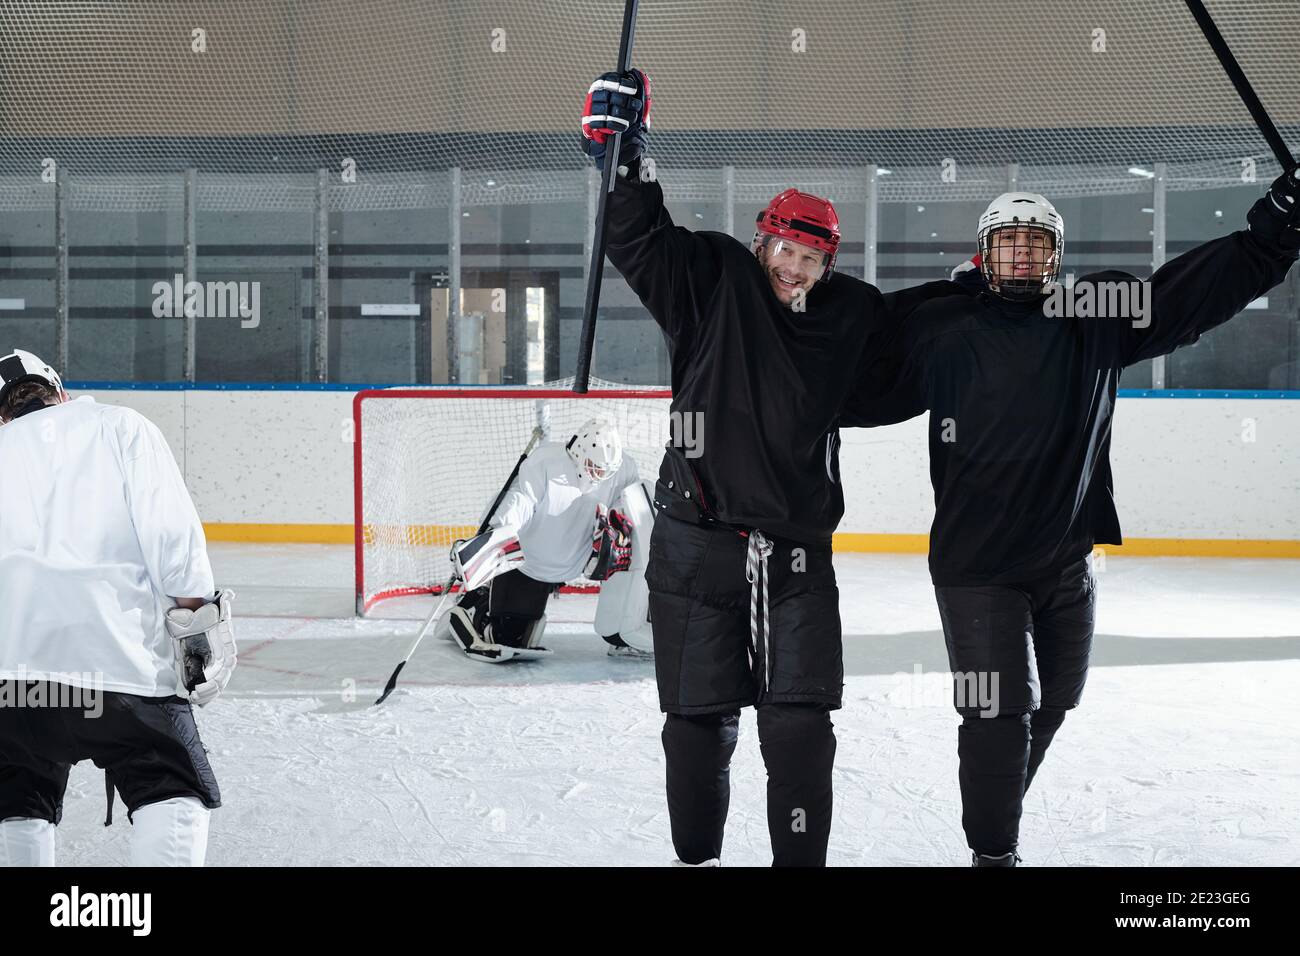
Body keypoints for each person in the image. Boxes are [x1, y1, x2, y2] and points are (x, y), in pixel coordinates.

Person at [846, 170, 1300, 865]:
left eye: (1036, 243)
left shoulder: (1095, 313)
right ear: (984, 252)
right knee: (997, 712)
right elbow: (850, 370)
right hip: (974, 570)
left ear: (1056, 254)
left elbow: (1191, 292)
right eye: (1008, 243)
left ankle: (992, 812)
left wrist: (1277, 224)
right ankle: (993, 853)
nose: (1022, 255)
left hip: (1065, 564)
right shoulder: (941, 323)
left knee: (1054, 702)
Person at [582, 69, 953, 865]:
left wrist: (978, 305)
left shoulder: (848, 317)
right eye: (786, 250)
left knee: (798, 727)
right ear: (762, 241)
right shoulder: (711, 282)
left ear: (829, 263)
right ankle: (698, 859)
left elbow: (906, 347)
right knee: (697, 724)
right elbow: (640, 239)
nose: (794, 268)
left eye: (811, 258)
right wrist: (623, 157)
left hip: (794, 557)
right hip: (694, 546)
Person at [0, 349, 235, 866]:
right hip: (119, 669)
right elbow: (173, 543)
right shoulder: (120, 426)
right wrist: (199, 627)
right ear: (59, 391)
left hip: (14, 684)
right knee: (168, 785)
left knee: (19, 800)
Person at [447, 418, 655, 662]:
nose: (599, 475)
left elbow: (629, 502)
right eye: (594, 466)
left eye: (606, 470)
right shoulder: (545, 463)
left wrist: (616, 524)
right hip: (530, 565)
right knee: (507, 637)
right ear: (578, 452)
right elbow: (521, 501)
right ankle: (473, 604)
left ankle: (624, 636)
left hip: (576, 562)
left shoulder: (622, 469)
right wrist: (494, 533)